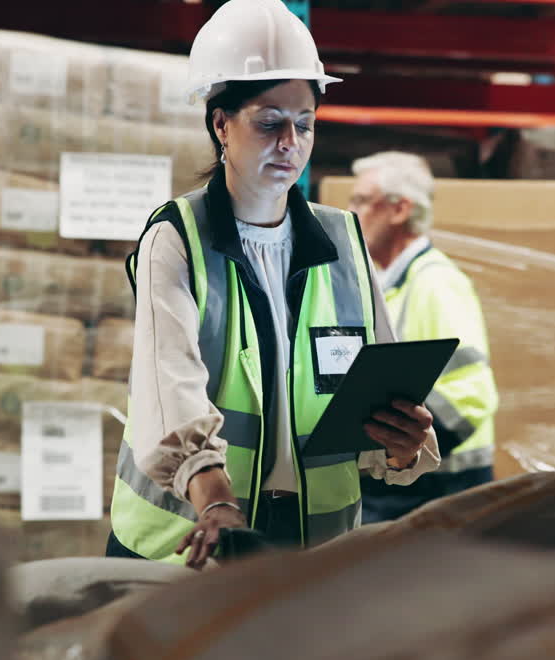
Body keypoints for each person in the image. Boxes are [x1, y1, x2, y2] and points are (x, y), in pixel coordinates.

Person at [106, 0, 441, 569]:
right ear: (221, 124)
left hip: (313, 546)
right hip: (190, 542)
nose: (290, 141)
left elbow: (381, 388)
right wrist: (214, 499)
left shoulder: (344, 240)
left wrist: (405, 446)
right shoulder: (178, 236)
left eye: (304, 123)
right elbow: (170, 386)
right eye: (269, 122)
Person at [348, 152, 499, 523]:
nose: (350, 213)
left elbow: (472, 394)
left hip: (440, 490)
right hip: (406, 482)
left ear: (400, 210)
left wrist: (406, 445)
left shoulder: (434, 283)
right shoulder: (387, 284)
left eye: (361, 201)